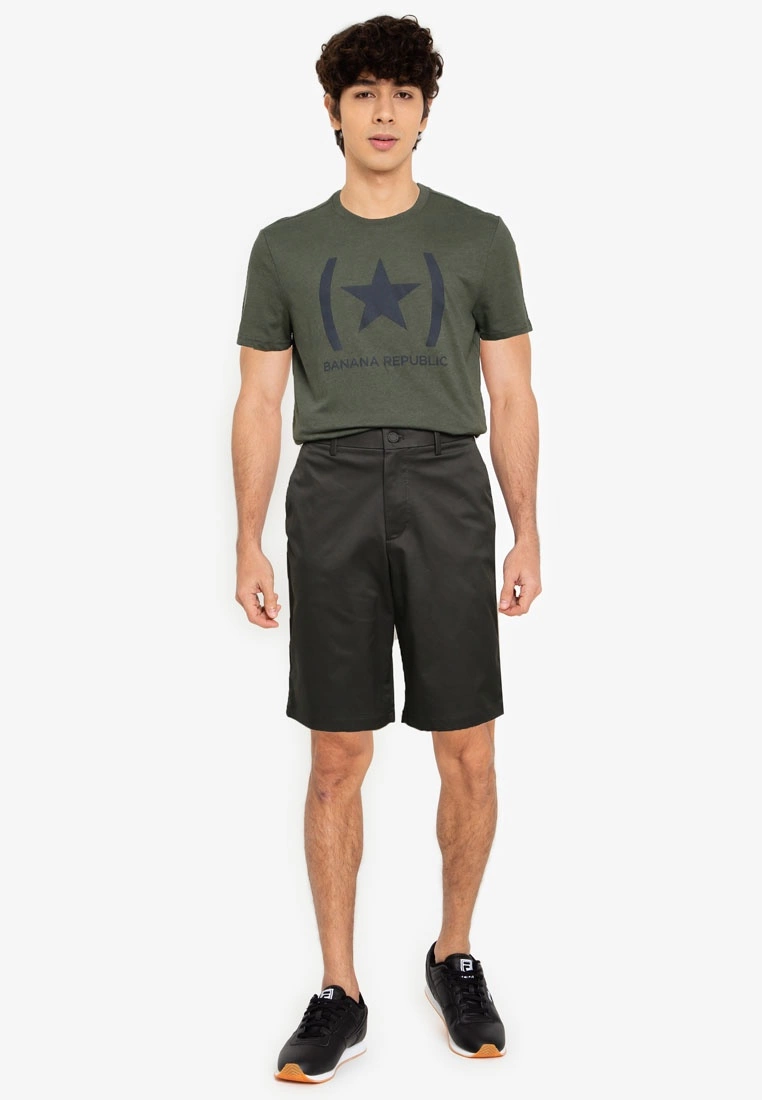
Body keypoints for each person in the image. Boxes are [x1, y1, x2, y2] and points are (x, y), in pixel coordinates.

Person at [232, 13, 541, 1084]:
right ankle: (340, 988)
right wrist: (247, 540)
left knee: (470, 749)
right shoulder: (284, 246)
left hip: (449, 488)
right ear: (332, 110)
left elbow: (513, 392)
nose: (383, 112)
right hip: (329, 493)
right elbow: (259, 400)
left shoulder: (479, 237)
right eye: (363, 92)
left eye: (402, 94)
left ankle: (454, 953)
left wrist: (528, 528)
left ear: (425, 111)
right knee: (336, 757)